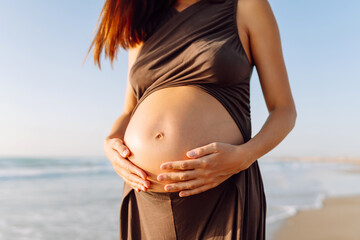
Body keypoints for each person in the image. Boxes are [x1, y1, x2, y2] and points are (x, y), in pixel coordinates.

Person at [86, 0, 297, 239]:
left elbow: (284, 110)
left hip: (221, 192)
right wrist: (111, 142)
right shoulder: (143, 23)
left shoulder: (247, 6)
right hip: (145, 196)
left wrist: (244, 157)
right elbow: (129, 110)